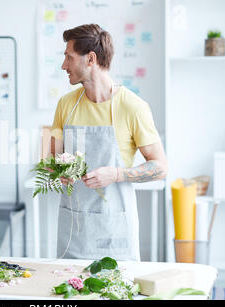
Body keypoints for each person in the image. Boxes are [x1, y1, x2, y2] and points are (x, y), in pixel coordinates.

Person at [50, 24, 168, 261]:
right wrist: (57, 170)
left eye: (69, 58)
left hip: (114, 233)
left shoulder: (133, 107)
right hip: (73, 232)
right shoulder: (65, 104)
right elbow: (49, 157)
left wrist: (116, 174)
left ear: (90, 59)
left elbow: (160, 167)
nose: (64, 66)